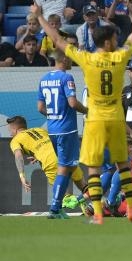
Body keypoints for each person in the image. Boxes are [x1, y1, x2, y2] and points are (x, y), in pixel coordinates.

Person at [31, 0, 132, 225]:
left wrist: (40, 17)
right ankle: (131, 209)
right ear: (109, 41)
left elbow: (58, 40)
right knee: (123, 164)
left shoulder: (86, 59)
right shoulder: (120, 57)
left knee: (93, 167)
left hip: (94, 119)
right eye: (114, 38)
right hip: (115, 117)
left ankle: (99, 214)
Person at [37, 49, 90, 218]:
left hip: (52, 129)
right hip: (67, 129)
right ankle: (55, 207)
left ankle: (63, 204)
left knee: (69, 166)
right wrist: (88, 110)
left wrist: (53, 116)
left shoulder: (43, 79)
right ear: (64, 59)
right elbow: (73, 103)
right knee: (64, 167)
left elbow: (40, 108)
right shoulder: (66, 78)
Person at [7, 115, 89, 218]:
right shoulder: (39, 130)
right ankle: (93, 200)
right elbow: (49, 143)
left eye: (10, 130)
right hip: (65, 155)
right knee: (84, 186)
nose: (10, 134)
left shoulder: (15, 140)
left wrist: (22, 176)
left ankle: (80, 199)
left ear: (15, 129)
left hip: (50, 162)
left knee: (65, 198)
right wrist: (38, 155)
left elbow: (18, 157)